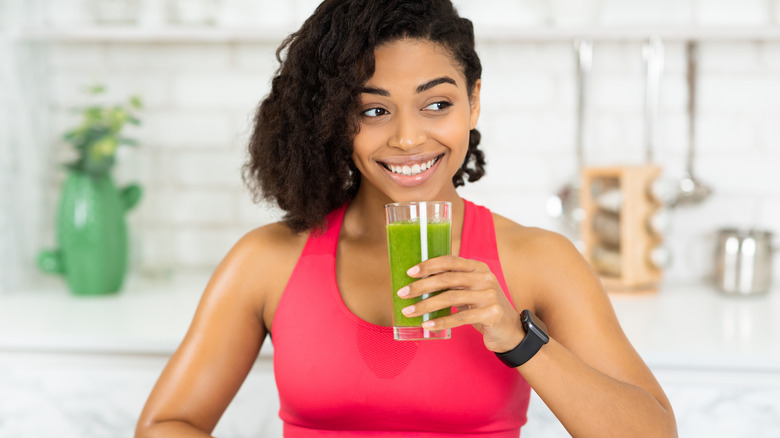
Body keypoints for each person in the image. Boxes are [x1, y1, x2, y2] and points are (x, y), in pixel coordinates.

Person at [136, 1, 677, 437]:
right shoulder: (268, 261)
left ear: (474, 102)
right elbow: (167, 423)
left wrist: (516, 336)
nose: (408, 138)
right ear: (334, 120)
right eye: (373, 110)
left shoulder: (538, 261)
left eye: (437, 104)